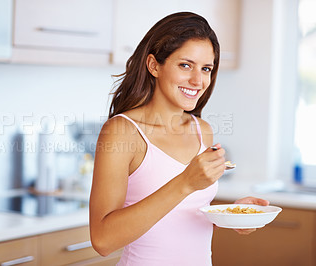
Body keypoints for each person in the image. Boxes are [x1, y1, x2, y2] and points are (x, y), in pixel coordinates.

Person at [89, 12, 268, 265]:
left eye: (206, 68)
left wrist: (231, 215)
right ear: (154, 65)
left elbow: (181, 219)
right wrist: (185, 182)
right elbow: (103, 241)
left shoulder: (202, 130)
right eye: (186, 65)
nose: (198, 80)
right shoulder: (122, 132)